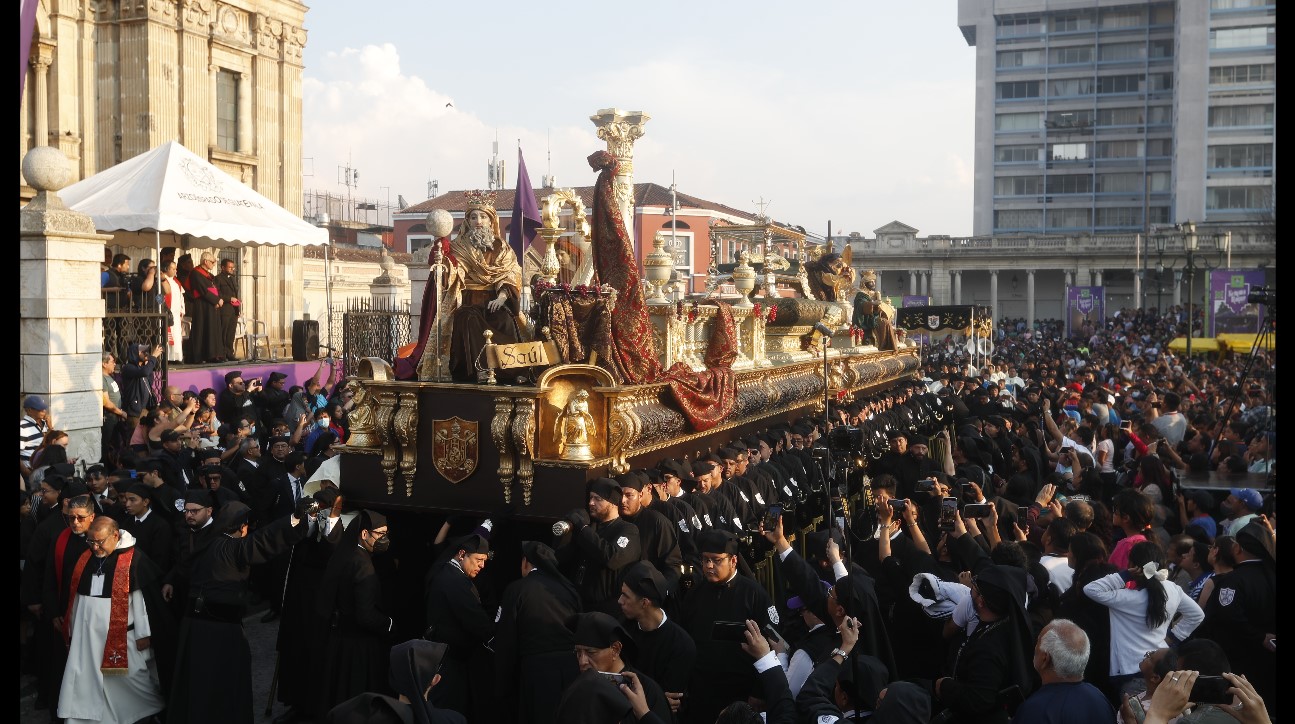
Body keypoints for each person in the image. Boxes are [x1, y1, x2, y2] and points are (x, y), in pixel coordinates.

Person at [167, 499, 313, 724]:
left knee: (196, 684)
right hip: (220, 633)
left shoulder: (206, 543)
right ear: (242, 527)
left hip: (194, 629)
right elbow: (266, 540)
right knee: (222, 685)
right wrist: (295, 518)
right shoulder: (234, 548)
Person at [58, 516, 172, 724]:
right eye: (90, 542)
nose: (95, 547)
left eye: (99, 541)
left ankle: (140, 714)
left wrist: (143, 634)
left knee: (131, 679)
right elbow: (78, 597)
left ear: (115, 535)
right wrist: (73, 626)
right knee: (87, 680)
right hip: (88, 639)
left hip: (121, 637)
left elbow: (140, 601)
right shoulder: (86, 557)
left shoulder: (133, 559)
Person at [1082, 540, 1204, 702]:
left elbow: (1090, 589)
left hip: (1132, 672)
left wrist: (1125, 574)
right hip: (1164, 668)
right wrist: (1173, 639)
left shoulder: (1126, 598)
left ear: (1133, 565)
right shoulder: (1173, 589)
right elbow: (1197, 615)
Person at [678, 529, 776, 724]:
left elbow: (773, 645)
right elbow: (684, 641)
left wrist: (759, 691)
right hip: (702, 693)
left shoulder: (755, 595)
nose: (708, 566)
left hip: (741, 695)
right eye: (705, 560)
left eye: (716, 560)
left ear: (733, 561)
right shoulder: (694, 595)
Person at [312, 510, 396, 717]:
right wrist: (389, 624)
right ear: (364, 533)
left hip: (339, 641)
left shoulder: (346, 554)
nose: (384, 539)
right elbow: (365, 615)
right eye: (380, 534)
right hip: (359, 646)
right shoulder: (363, 565)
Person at [931, 564, 1036, 724]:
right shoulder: (1008, 624)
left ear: (981, 601)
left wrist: (944, 686)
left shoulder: (989, 649)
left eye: (973, 588)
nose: (970, 590)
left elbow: (979, 699)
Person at [493, 540, 582, 724]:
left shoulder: (517, 589)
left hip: (537, 671)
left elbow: (505, 639)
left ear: (526, 562)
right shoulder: (570, 589)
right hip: (572, 668)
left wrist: (502, 684)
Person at [1195, 522, 1276, 716]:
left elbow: (1225, 617)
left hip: (1239, 668)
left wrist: (1258, 636)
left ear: (1238, 548)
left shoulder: (1233, 581)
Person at [446, 191, 523, 382]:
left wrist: (503, 297)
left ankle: (512, 371)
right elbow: (457, 270)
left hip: (494, 298)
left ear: (491, 221)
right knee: (468, 320)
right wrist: (446, 267)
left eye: (483, 217)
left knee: (505, 319)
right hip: (469, 299)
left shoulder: (501, 247)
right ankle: (481, 368)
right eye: (473, 217)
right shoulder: (459, 246)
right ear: (468, 221)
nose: (478, 221)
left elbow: (509, 272)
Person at [423, 533, 494, 719]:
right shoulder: (454, 580)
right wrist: (494, 638)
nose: (482, 565)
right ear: (462, 554)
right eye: (478, 559)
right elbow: (474, 618)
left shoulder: (447, 573)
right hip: (449, 661)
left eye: (485, 560)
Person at [554, 478, 641, 616]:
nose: (591, 503)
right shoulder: (590, 527)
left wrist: (582, 529)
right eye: (590, 498)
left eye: (598, 499)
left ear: (612, 503)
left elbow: (612, 557)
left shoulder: (628, 530)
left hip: (608, 612)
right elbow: (561, 557)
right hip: (578, 606)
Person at [567, 611, 673, 724]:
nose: (582, 661)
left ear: (616, 649)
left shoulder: (646, 692)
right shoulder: (576, 685)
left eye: (591, 652)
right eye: (578, 652)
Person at [619, 561, 696, 715]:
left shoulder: (681, 645)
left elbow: (671, 703)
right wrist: (658, 700)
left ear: (644, 603)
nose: (620, 601)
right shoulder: (622, 630)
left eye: (626, 596)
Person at [1010, 619, 1112, 723]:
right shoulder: (1099, 698)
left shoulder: (1034, 710)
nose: (1035, 647)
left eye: (1038, 642)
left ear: (1045, 659)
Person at [186, 252, 225, 363]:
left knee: (213, 330)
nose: (214, 264)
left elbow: (216, 289)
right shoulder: (195, 273)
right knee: (202, 330)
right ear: (205, 261)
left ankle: (213, 355)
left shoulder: (209, 275)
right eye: (212, 262)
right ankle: (199, 356)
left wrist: (220, 299)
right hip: (202, 306)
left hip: (212, 306)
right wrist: (216, 300)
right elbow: (203, 290)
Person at [851, 269, 896, 350]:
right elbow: (861, 305)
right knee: (883, 323)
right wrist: (873, 304)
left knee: (886, 322)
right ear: (865, 284)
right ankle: (882, 346)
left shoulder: (872, 294)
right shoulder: (861, 294)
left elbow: (876, 310)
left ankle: (888, 346)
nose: (874, 283)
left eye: (874, 281)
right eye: (871, 282)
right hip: (865, 320)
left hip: (872, 318)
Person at [160, 258, 186, 362]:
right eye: (173, 269)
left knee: (176, 337)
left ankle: (176, 358)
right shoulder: (163, 280)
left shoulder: (176, 282)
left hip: (176, 314)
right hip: (167, 312)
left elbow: (181, 297)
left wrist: (181, 310)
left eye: (176, 269)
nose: (176, 271)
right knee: (168, 336)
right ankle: (167, 358)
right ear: (166, 269)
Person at [20, 394, 51, 484]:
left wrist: (50, 427)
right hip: (31, 473)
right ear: (29, 410)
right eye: (40, 409)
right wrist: (26, 472)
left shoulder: (43, 424)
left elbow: (51, 443)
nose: (44, 411)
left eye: (44, 408)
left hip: (44, 471)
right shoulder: (22, 427)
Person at [215, 258, 241, 360]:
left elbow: (235, 294)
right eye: (229, 267)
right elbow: (218, 293)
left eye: (232, 267)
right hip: (224, 309)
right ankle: (222, 354)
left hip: (233, 310)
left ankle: (230, 353)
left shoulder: (232, 279)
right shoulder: (218, 278)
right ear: (222, 267)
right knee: (223, 332)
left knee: (231, 333)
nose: (232, 269)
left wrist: (238, 309)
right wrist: (229, 298)